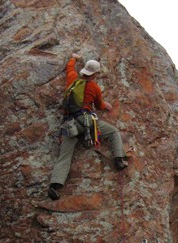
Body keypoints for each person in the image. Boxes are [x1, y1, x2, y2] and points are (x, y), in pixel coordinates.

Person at [48, 53, 128, 200]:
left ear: (84, 70)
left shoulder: (72, 79)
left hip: (69, 124)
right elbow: (99, 105)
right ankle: (119, 159)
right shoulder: (94, 88)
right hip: (86, 123)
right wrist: (107, 106)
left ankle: (55, 185)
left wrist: (73, 58)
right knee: (113, 132)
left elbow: (69, 68)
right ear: (96, 74)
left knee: (65, 156)